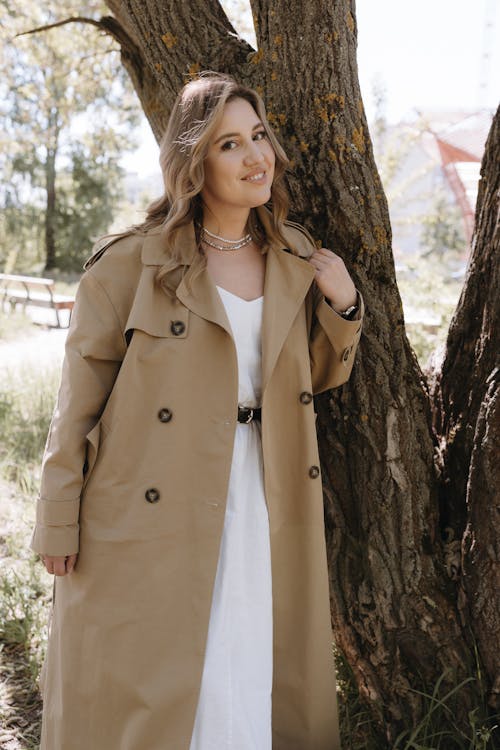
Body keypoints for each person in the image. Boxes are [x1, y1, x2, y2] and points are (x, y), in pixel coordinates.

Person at [31, 71, 363, 750]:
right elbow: (76, 408)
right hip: (156, 502)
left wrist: (344, 306)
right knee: (168, 675)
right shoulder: (131, 266)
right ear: (194, 163)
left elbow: (317, 378)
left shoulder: (295, 257)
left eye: (260, 137)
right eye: (230, 145)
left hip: (261, 495)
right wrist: (56, 520)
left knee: (251, 662)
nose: (256, 157)